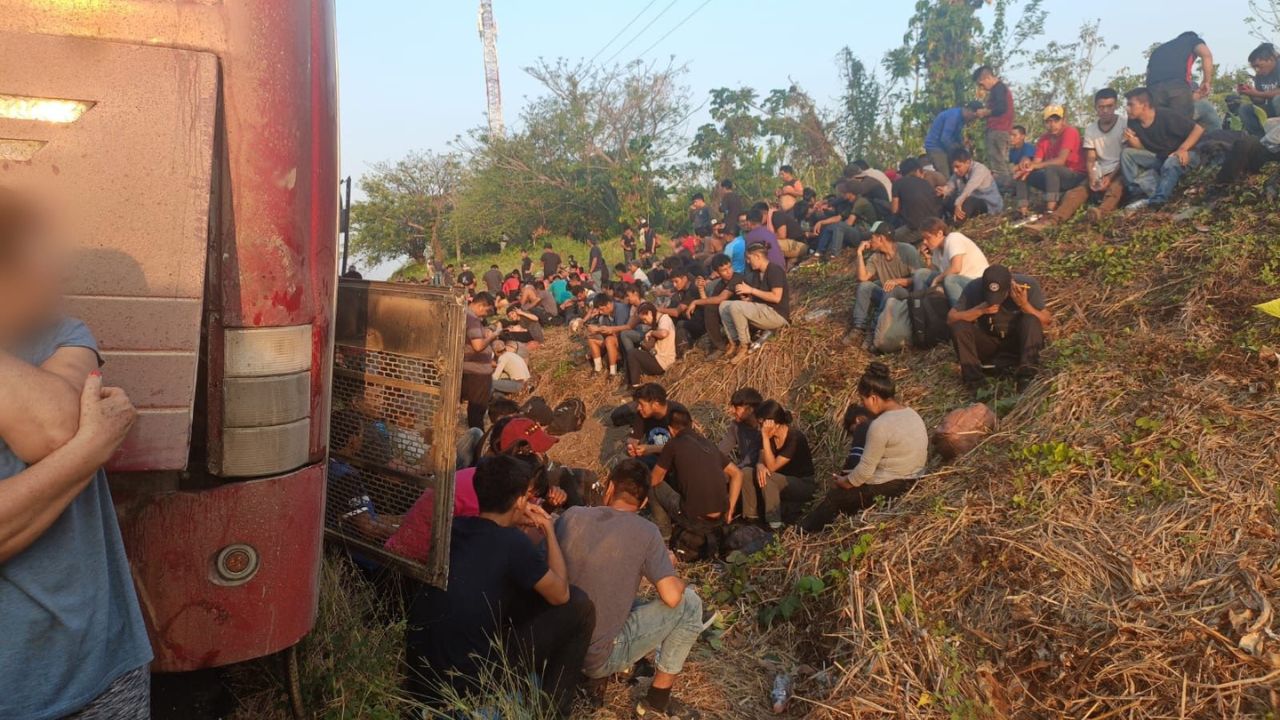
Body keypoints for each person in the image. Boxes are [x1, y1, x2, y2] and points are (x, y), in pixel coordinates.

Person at [0, 190, 152, 720]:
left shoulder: (61, 334)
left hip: (101, 671)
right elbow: (77, 437)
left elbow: (55, 425)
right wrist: (94, 447)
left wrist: (79, 443)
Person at [405, 455, 594, 717]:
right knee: (580, 605)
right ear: (519, 501)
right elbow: (561, 594)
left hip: (422, 679)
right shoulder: (513, 544)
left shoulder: (453, 527)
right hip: (471, 686)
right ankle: (552, 712)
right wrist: (549, 530)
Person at [557, 459, 709, 718]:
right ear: (644, 503)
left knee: (626, 597)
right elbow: (672, 598)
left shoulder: (572, 516)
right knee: (690, 604)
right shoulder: (647, 531)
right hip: (594, 659)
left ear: (608, 487)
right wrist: (676, 577)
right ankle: (657, 701)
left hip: (556, 646)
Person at [798, 364, 928, 533]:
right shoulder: (912, 414)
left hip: (894, 484)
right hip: (917, 476)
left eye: (863, 399)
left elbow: (865, 471)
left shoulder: (880, 425)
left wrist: (845, 481)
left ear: (873, 398)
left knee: (835, 497)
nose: (863, 404)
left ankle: (804, 532)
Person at [948, 264, 1054, 397]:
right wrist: (980, 310)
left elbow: (1047, 321)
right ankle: (975, 382)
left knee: (1031, 320)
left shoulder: (1027, 285)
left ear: (1010, 286)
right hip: (990, 342)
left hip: (1017, 343)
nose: (995, 302)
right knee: (959, 326)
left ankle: (1027, 375)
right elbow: (951, 318)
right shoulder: (973, 287)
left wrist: (1024, 305)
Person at [648, 407, 743, 553]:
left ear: (670, 429)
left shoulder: (673, 445)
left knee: (653, 488)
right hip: (720, 517)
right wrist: (730, 507)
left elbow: (655, 480)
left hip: (695, 519)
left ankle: (664, 539)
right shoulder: (708, 444)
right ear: (691, 424)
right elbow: (737, 474)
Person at [1120, 87, 1205, 209]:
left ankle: (1158, 200)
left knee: (1171, 162)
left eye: (1131, 105)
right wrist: (1132, 141)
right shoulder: (1133, 122)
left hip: (1187, 153)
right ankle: (1136, 193)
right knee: (1126, 153)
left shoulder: (1166, 115)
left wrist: (1182, 149)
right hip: (1161, 156)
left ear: (1144, 105)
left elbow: (1198, 129)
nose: (1127, 109)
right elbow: (1142, 148)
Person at [740, 400, 816, 529]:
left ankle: (774, 523)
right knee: (747, 472)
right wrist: (759, 464)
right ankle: (751, 518)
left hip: (801, 483)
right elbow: (762, 458)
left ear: (773, 423)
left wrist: (764, 437)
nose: (760, 428)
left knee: (768, 475)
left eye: (761, 424)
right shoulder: (769, 436)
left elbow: (772, 467)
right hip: (778, 479)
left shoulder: (795, 438)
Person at [845, 222, 921, 344]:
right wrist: (859, 254)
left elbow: (918, 278)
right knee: (865, 286)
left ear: (880, 238)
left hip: (905, 296)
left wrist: (897, 282)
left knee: (891, 288)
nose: (870, 241)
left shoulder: (907, 250)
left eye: (872, 238)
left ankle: (874, 328)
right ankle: (858, 327)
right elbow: (863, 278)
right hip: (886, 294)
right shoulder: (875, 257)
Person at [1013, 105, 1087, 222]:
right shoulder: (1044, 138)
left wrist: (1034, 165)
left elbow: (1061, 160)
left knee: (1052, 168)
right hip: (1053, 177)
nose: (1052, 124)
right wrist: (1027, 168)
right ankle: (1023, 212)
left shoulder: (1070, 132)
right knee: (1023, 173)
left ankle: (1050, 211)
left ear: (1063, 120)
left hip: (1074, 175)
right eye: (1049, 121)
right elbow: (1036, 162)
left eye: (1056, 120)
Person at [720, 243, 791, 364]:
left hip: (777, 315)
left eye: (749, 258)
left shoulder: (774, 270)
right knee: (724, 305)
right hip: (764, 310)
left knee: (736, 306)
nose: (748, 262)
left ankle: (744, 345)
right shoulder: (758, 274)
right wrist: (748, 300)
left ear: (757, 256)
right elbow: (760, 297)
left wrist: (751, 290)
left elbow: (776, 297)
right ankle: (734, 342)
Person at [1079, 88, 1129, 223]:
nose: (1105, 110)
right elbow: (1090, 158)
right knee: (1078, 191)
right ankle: (1053, 219)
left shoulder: (1125, 123)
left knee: (1116, 186)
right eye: (1101, 107)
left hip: (1121, 169)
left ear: (1116, 106)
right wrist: (1092, 177)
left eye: (1109, 106)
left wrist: (1110, 177)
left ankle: (1102, 212)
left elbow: (1126, 154)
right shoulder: (1091, 129)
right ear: (1096, 108)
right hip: (1100, 170)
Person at [913, 218, 989, 306]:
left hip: (976, 282)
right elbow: (933, 272)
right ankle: (918, 308)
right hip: (958, 283)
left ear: (940, 233)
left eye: (927, 238)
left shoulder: (953, 238)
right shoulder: (937, 250)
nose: (924, 242)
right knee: (921, 273)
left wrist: (937, 279)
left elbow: (956, 268)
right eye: (923, 239)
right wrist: (928, 259)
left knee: (950, 279)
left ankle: (958, 315)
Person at [683, 254, 744, 360]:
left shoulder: (736, 277)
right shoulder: (721, 284)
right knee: (710, 309)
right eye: (724, 270)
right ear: (717, 272)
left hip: (742, 312)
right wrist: (701, 289)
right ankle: (720, 346)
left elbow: (721, 298)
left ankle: (733, 343)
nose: (729, 271)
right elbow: (710, 303)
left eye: (730, 267)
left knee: (712, 308)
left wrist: (696, 301)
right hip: (730, 314)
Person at [1146, 31, 1213, 122]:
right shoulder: (1193, 40)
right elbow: (1206, 55)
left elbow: (1148, 72)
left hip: (1153, 90)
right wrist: (1206, 81)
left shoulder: (1159, 49)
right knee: (1181, 124)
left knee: (1160, 124)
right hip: (1177, 86)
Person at [973, 65, 1015, 188]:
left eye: (981, 84)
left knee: (999, 164)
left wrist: (986, 112)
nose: (983, 88)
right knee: (999, 163)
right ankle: (1006, 188)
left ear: (987, 78)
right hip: (999, 129)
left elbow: (1002, 108)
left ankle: (1006, 189)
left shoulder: (999, 88)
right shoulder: (998, 90)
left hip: (999, 130)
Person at [462, 292, 499, 429]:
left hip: (470, 369)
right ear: (481, 305)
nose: (486, 315)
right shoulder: (472, 320)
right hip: (478, 373)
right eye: (487, 310)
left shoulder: (465, 316)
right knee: (477, 410)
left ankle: (475, 435)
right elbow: (478, 346)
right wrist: (492, 336)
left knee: (474, 411)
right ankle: (477, 441)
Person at [626, 383, 687, 465]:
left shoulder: (678, 413)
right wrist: (632, 446)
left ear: (656, 404)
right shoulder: (642, 414)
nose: (638, 407)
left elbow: (684, 446)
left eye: (641, 404)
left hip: (675, 460)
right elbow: (633, 438)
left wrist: (652, 449)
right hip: (653, 458)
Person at [939, 148, 1003, 222]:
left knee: (969, 201)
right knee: (945, 198)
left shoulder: (979, 169)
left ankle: (954, 223)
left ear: (968, 162)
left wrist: (958, 202)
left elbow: (969, 188)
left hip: (987, 204)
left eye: (958, 166)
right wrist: (944, 190)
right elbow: (951, 184)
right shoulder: (958, 173)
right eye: (953, 167)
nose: (955, 170)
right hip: (969, 202)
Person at [891, 158, 944, 245]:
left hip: (916, 230)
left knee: (889, 239)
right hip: (935, 226)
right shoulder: (926, 183)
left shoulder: (898, 183)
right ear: (918, 171)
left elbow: (894, 210)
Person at [924, 102, 983, 178]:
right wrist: (957, 152)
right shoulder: (953, 117)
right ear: (969, 111)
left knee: (957, 173)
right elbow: (945, 139)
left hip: (944, 147)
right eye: (974, 117)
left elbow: (957, 136)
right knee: (945, 176)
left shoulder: (961, 118)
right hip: (936, 148)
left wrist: (963, 147)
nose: (973, 120)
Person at [625, 303, 677, 389]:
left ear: (649, 313)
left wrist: (651, 332)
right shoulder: (656, 322)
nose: (645, 322)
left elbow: (664, 333)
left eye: (645, 319)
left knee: (632, 353)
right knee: (632, 355)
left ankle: (635, 386)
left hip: (663, 362)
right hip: (657, 358)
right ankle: (627, 384)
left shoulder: (664, 319)